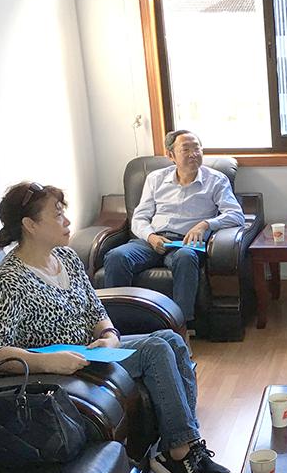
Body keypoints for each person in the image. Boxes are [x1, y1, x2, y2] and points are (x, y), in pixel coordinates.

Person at [0, 181, 231, 473]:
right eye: (57, 215)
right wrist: (49, 361)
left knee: (170, 340)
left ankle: (188, 443)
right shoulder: (10, 278)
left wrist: (110, 336)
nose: (67, 221)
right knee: (156, 348)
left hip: (92, 353)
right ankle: (178, 452)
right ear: (30, 225)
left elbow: (96, 311)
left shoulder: (66, 258)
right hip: (62, 368)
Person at [103, 129, 245, 326]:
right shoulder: (156, 179)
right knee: (116, 256)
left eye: (197, 148)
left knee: (185, 257)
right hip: (153, 239)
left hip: (187, 242)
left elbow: (236, 215)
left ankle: (180, 326)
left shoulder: (216, 180)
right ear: (171, 155)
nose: (193, 154)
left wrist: (205, 224)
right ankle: (118, 325)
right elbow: (139, 217)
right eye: (185, 149)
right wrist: (150, 236)